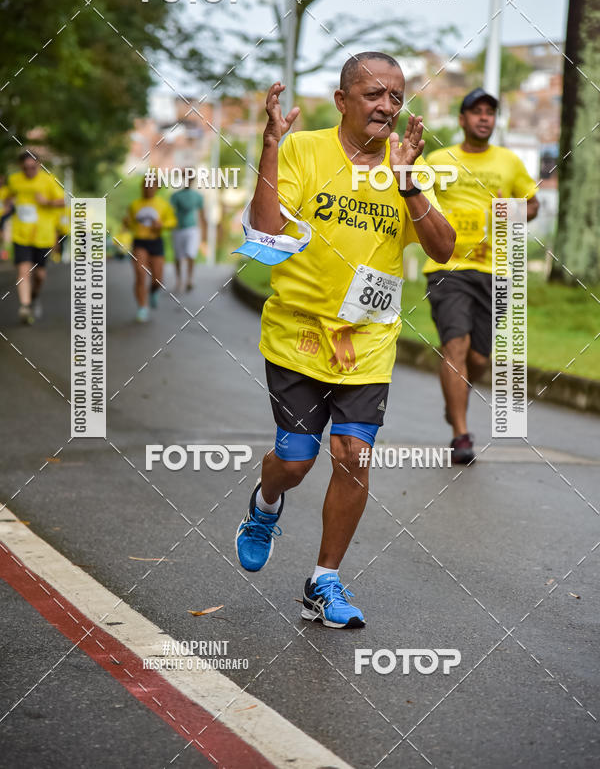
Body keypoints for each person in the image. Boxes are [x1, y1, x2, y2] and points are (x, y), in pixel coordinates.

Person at [233, 53, 455, 628]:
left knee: (354, 456)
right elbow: (264, 234)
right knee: (296, 459)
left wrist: (409, 186)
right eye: (373, 94)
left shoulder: (407, 167)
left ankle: (323, 581)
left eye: (395, 97)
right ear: (342, 101)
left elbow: (443, 248)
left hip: (369, 340)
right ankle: (265, 505)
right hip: (298, 337)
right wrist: (271, 149)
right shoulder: (305, 150)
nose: (386, 106)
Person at [423, 88, 539, 464]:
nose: (484, 117)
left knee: (478, 359)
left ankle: (451, 404)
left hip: (496, 271)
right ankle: (460, 432)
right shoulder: (439, 160)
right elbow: (416, 198)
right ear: (462, 120)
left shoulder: (509, 162)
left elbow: (533, 202)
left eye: (490, 112)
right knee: (455, 345)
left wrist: (516, 211)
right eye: (476, 111)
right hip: (449, 268)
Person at [3, 151, 64, 324]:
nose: (29, 171)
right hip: (21, 235)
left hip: (42, 236)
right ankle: (25, 306)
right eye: (25, 168)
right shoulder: (15, 180)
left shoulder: (48, 180)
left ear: (38, 165)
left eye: (33, 167)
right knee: (23, 271)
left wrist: (47, 202)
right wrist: (8, 204)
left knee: (40, 276)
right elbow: (8, 196)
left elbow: (63, 201)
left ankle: (34, 297)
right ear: (20, 166)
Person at [124, 176, 176, 322]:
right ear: (142, 187)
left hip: (156, 241)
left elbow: (172, 222)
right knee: (140, 274)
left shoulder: (163, 205)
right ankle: (142, 307)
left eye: (151, 186)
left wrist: (162, 225)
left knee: (158, 279)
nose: (148, 189)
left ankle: (153, 291)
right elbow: (130, 224)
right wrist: (127, 223)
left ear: (156, 188)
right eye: (146, 186)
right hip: (140, 242)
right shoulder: (134, 205)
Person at [170, 180, 207, 292]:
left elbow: (202, 214)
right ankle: (179, 280)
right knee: (178, 257)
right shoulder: (175, 196)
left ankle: (190, 280)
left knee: (191, 254)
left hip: (192, 229)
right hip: (178, 229)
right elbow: (170, 213)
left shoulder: (198, 196)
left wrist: (204, 232)